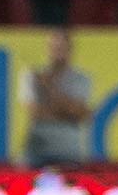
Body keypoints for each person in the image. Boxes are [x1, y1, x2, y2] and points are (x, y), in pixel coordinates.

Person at [20, 29, 93, 169]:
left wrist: (49, 89)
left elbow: (80, 113)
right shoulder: (32, 76)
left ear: (70, 50)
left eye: (62, 48)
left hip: (69, 152)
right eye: (55, 47)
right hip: (36, 151)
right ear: (48, 49)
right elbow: (35, 113)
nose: (58, 52)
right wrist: (67, 111)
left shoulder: (81, 79)